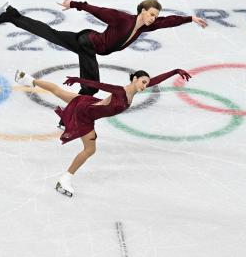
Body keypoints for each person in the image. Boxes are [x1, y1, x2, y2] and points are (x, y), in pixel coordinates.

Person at [13, 67, 192, 197]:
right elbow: (99, 84)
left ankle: (26, 79)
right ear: (134, 79)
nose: (146, 85)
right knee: (90, 150)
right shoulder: (120, 92)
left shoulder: (137, 88)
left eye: (146, 83)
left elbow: (155, 80)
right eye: (143, 82)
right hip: (85, 114)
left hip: (87, 102)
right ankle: (65, 179)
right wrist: (78, 80)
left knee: (58, 91)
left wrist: (175, 71)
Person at [0, 0, 206, 99]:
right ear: (141, 10)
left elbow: (170, 21)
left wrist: (190, 18)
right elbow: (100, 10)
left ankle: (12, 15)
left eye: (155, 16)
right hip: (88, 43)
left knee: (50, 33)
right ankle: (75, 112)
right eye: (151, 14)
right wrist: (75, 4)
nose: (154, 18)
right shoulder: (123, 19)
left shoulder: (146, 26)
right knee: (91, 87)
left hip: (88, 44)